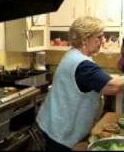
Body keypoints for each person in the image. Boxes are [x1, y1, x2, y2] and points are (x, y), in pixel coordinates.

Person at [36, 16, 124, 151]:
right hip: (60, 133)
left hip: (54, 124)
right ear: (84, 39)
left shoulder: (74, 55)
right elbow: (113, 86)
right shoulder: (82, 64)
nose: (103, 40)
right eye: (99, 37)